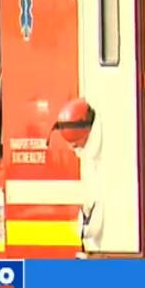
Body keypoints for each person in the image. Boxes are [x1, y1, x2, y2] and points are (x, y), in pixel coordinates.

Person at [54, 98, 104, 251]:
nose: (73, 148)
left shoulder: (96, 157)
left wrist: (84, 229)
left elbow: (96, 210)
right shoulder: (90, 153)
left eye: (76, 144)